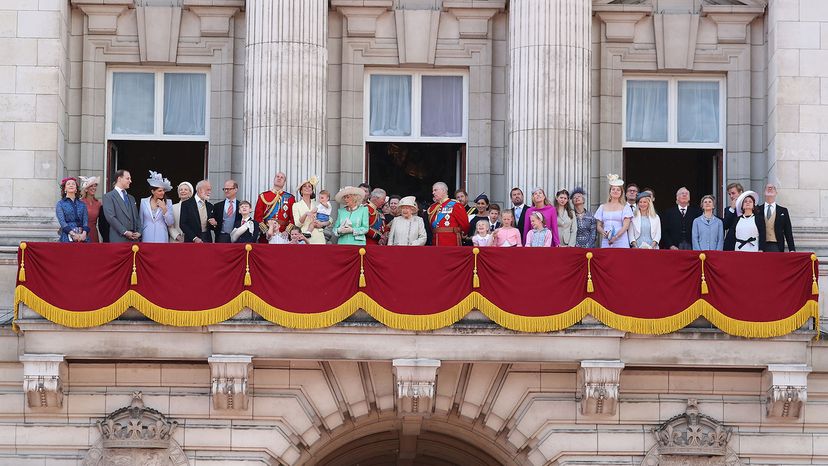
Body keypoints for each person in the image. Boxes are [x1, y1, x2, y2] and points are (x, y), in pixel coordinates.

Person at [254, 171, 295, 243]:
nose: (279, 178)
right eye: (277, 177)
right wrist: (266, 231)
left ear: (284, 182)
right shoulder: (263, 196)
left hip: (283, 234)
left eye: (282, 177)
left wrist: (287, 231)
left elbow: (293, 218)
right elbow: (258, 217)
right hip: (266, 235)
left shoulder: (290, 198)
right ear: (274, 179)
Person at [102, 169, 141, 243]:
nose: (130, 181)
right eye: (128, 178)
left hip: (134, 240)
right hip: (118, 239)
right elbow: (111, 217)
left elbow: (137, 217)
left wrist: (139, 232)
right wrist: (125, 232)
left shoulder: (131, 198)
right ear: (119, 179)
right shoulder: (108, 197)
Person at [594, 174, 633, 249]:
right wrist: (603, 233)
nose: (615, 191)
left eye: (618, 190)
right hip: (606, 239)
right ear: (610, 192)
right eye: (613, 189)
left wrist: (616, 237)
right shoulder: (602, 207)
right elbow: (598, 225)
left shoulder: (625, 207)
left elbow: (626, 226)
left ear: (621, 193)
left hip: (621, 239)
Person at [427, 182, 470, 246]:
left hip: (451, 242)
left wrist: (462, 233)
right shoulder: (432, 208)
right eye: (433, 191)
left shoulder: (455, 205)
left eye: (435, 190)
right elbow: (431, 227)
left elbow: (465, 225)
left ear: (443, 191)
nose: (433, 193)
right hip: (435, 242)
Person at [758, 183, 795, 252]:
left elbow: (788, 231)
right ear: (764, 193)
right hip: (760, 246)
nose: (770, 188)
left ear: (776, 193)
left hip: (777, 245)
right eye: (767, 187)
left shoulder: (783, 211)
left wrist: (792, 249)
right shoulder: (757, 210)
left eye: (772, 188)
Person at [139, 171, 174, 243]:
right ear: (153, 191)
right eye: (160, 191)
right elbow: (141, 221)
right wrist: (140, 235)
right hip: (147, 235)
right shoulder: (143, 201)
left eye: (163, 190)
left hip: (162, 236)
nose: (163, 193)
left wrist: (164, 209)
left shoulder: (168, 202)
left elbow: (170, 223)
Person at [292, 177, 326, 244]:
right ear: (301, 191)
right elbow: (297, 224)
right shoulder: (296, 205)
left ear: (312, 190)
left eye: (309, 186)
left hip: (319, 237)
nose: (307, 187)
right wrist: (306, 214)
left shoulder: (318, 204)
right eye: (304, 186)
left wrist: (322, 224)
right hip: (304, 237)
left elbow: (329, 219)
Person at [56, 177, 89, 243]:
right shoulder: (60, 204)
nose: (71, 185)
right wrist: (73, 234)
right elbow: (62, 222)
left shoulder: (82, 204)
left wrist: (84, 234)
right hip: (67, 235)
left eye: (73, 184)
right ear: (65, 188)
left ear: (76, 189)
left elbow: (85, 221)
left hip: (82, 236)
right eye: (68, 184)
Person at [79, 176, 102, 243]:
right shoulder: (80, 202)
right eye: (91, 186)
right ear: (86, 189)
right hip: (82, 233)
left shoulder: (98, 203)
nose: (94, 188)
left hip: (94, 232)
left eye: (95, 186)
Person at [722, 182, 743, 251]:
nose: (731, 196)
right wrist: (732, 209)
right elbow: (725, 225)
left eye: (733, 193)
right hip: (731, 243)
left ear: (740, 193)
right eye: (729, 194)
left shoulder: (749, 208)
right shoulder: (728, 209)